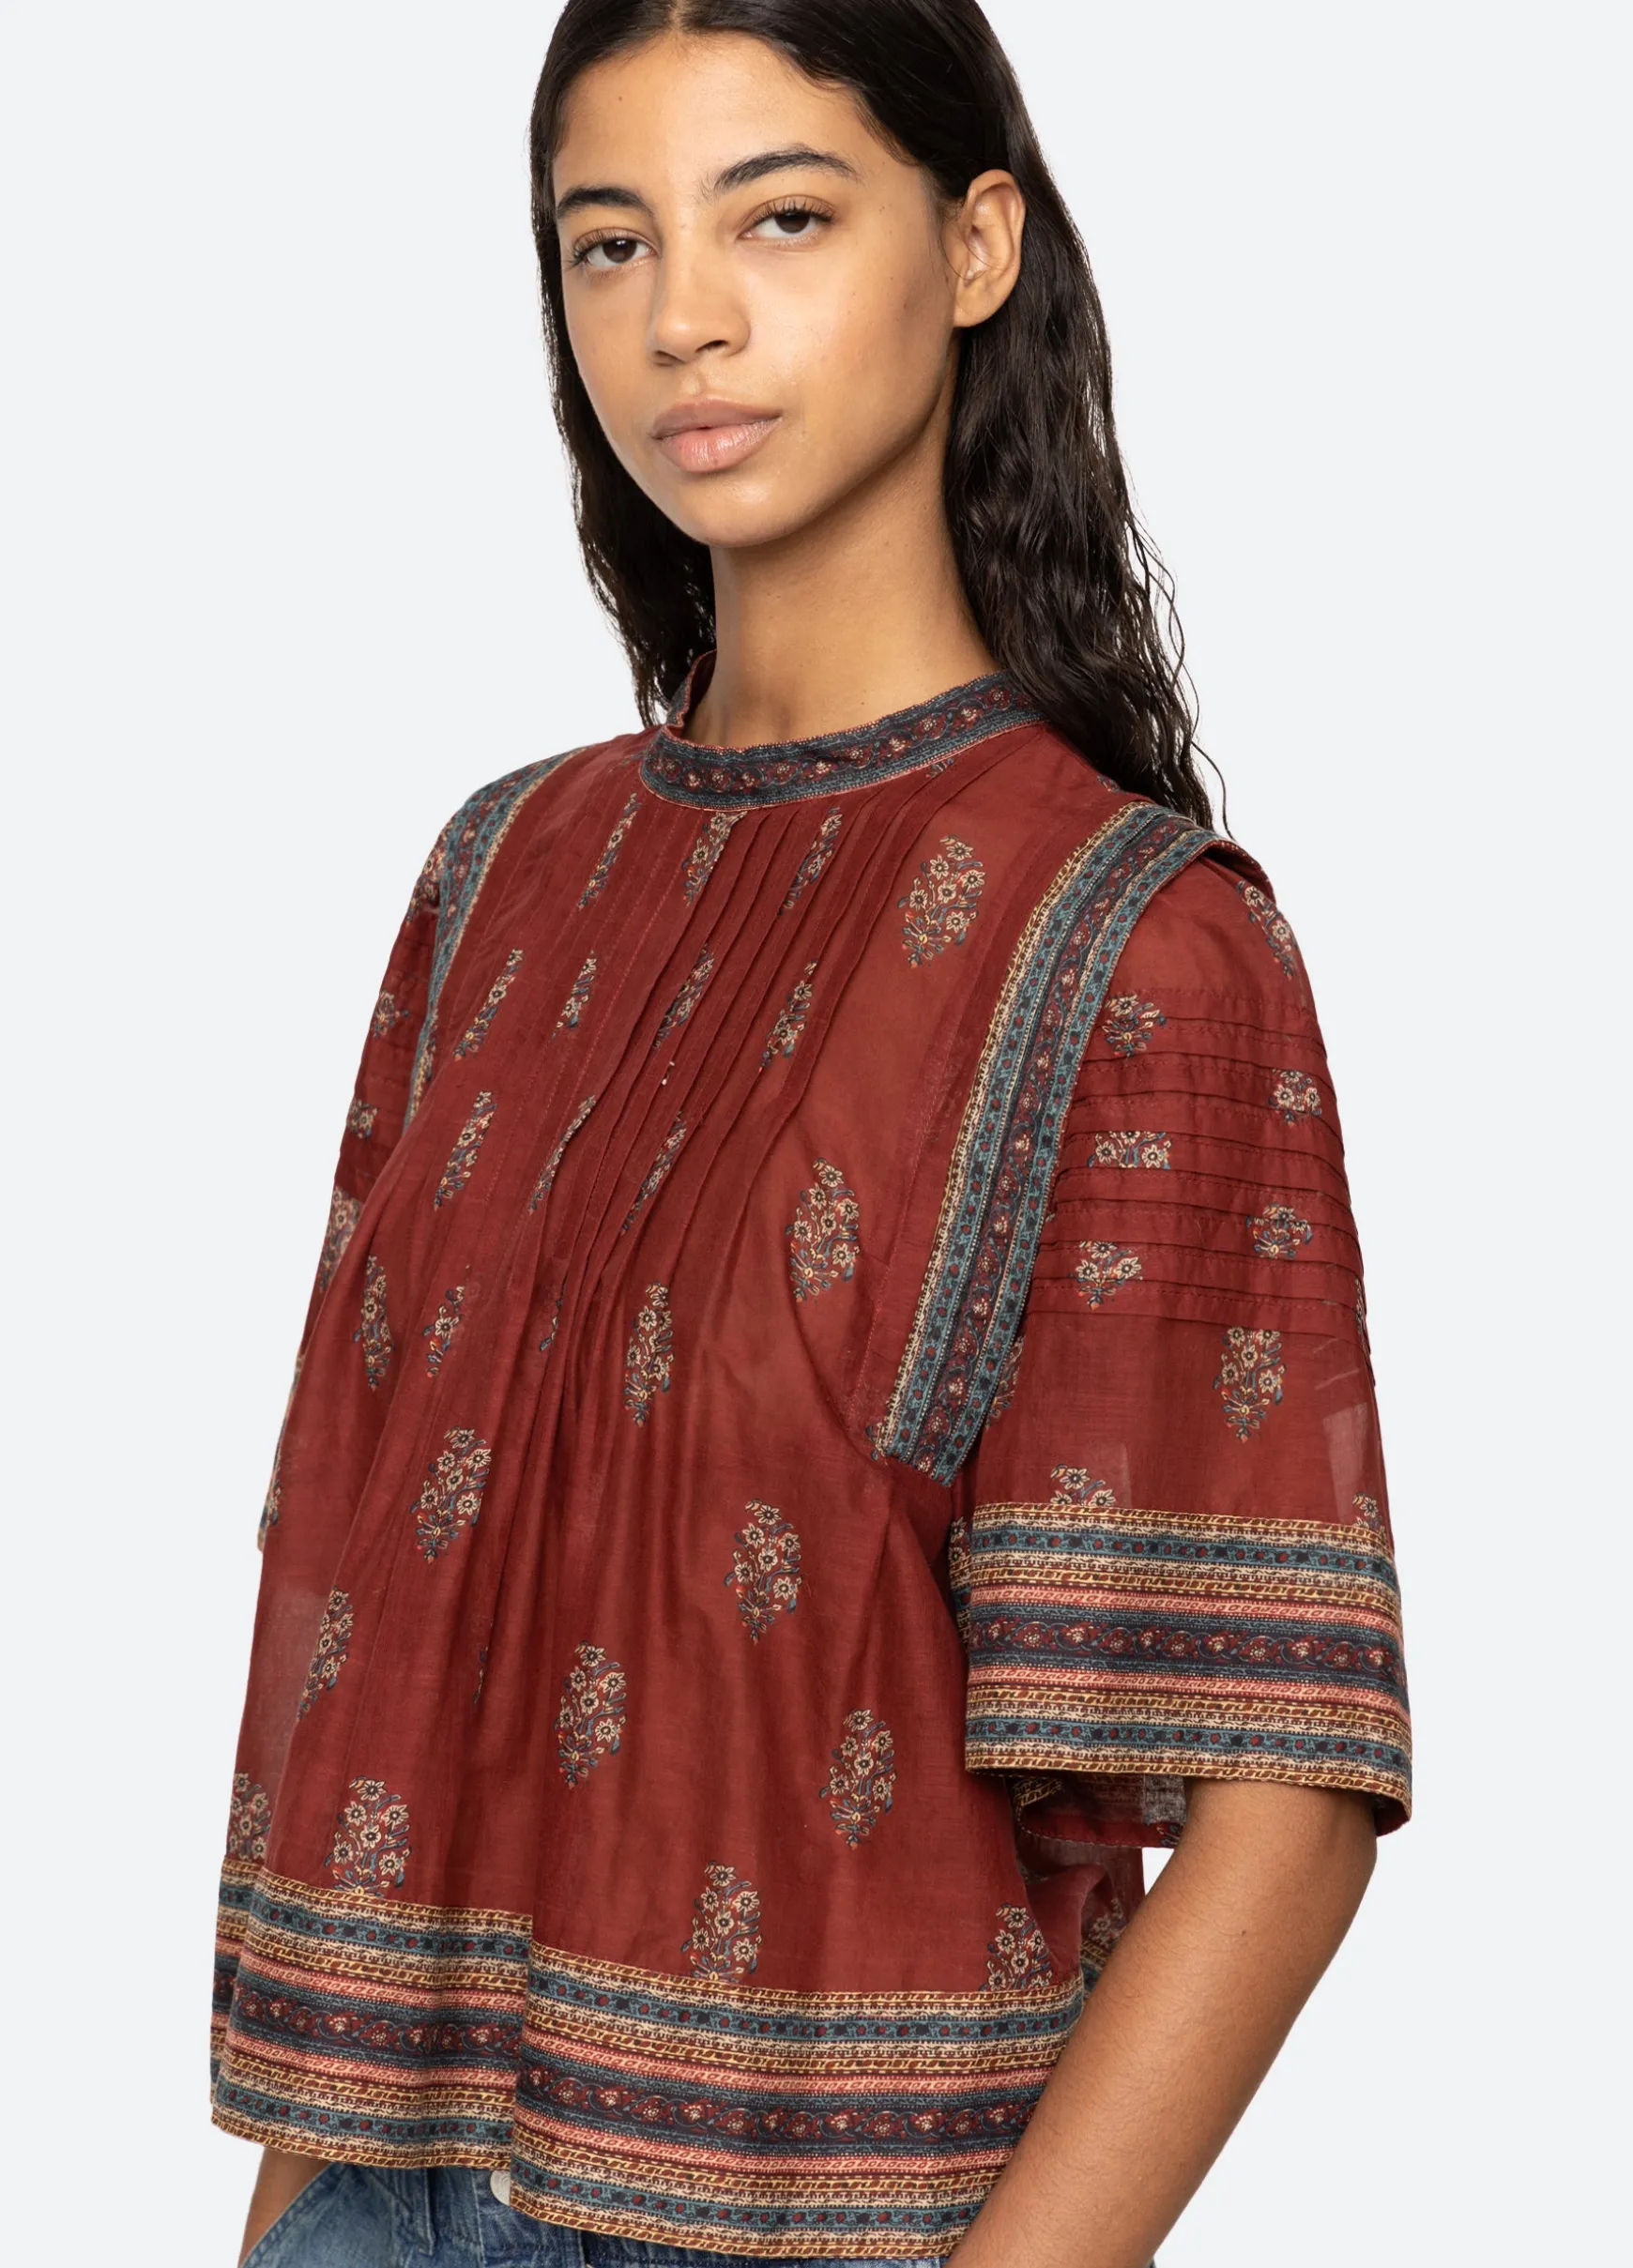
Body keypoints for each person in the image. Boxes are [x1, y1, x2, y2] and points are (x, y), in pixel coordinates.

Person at [217, 5, 1410, 2264]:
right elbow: (391, 1653)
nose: (682, 315)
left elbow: (1285, 1792)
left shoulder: (1131, 943)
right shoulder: (495, 882)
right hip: (370, 2197)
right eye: (609, 242)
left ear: (975, 245)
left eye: (778, 216)